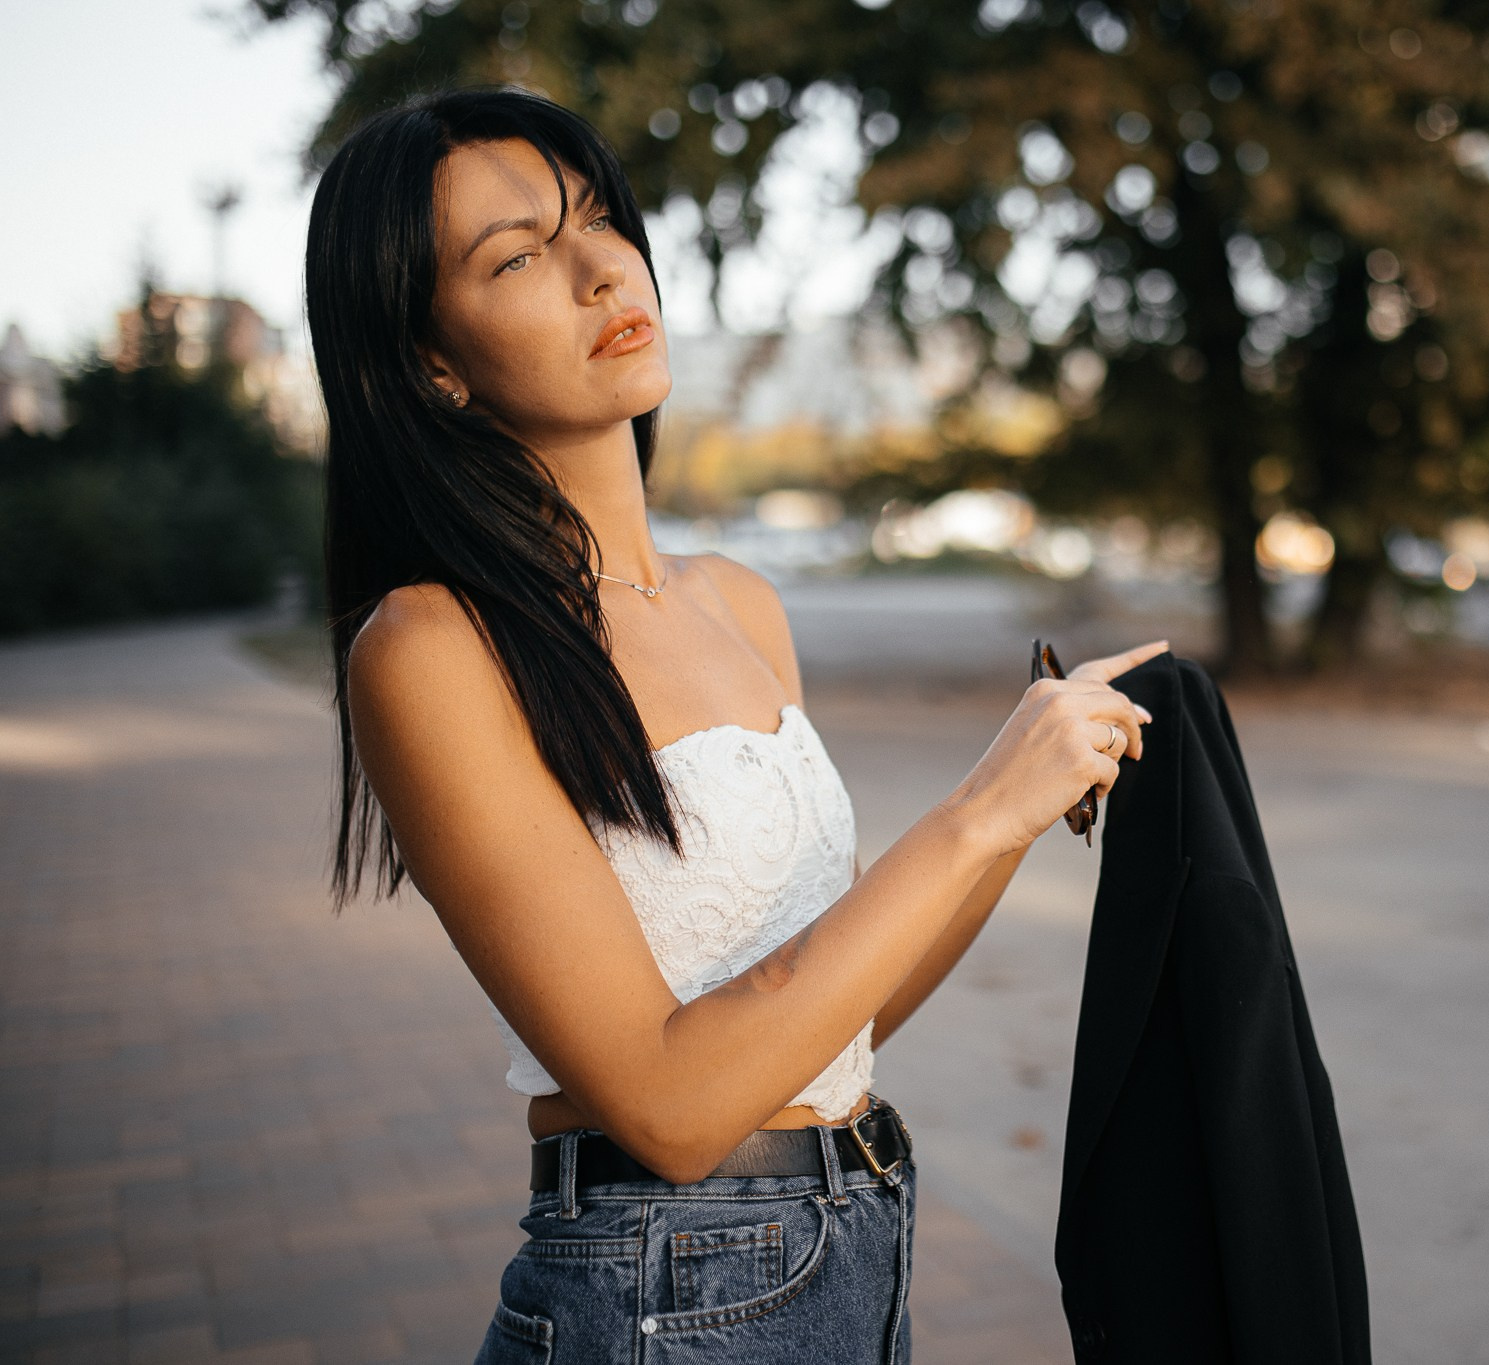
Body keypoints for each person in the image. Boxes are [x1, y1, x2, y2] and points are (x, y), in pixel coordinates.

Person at [303, 87, 1165, 1363]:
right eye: (519, 255)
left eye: (597, 217)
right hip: (664, 1288)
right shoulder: (433, 647)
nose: (603, 269)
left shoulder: (740, 603)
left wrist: (1024, 804)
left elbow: (835, 1017)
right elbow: (673, 1107)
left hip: (853, 1243)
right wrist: (972, 811)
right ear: (431, 361)